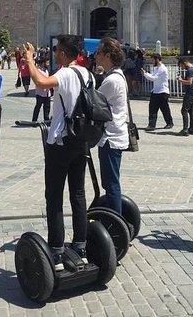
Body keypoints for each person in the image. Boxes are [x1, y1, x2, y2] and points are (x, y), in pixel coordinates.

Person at [22, 35, 90, 271]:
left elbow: (40, 82)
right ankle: (81, 246)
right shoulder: (86, 73)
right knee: (78, 194)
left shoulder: (65, 73)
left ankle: (57, 251)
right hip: (81, 140)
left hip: (61, 140)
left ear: (62, 54)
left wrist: (29, 59)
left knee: (54, 197)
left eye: (56, 50)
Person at [94, 38, 129, 215]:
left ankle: (115, 224)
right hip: (115, 135)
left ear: (107, 55)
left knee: (111, 183)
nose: (96, 56)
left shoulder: (112, 81)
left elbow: (94, 103)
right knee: (111, 181)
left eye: (98, 52)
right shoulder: (116, 76)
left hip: (110, 138)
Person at [140, 53, 174, 131]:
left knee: (164, 109)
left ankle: (169, 123)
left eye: (153, 60)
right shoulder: (157, 68)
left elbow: (154, 78)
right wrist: (146, 73)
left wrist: (145, 74)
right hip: (155, 91)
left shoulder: (162, 68)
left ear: (157, 59)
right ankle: (151, 125)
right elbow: (153, 76)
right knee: (152, 109)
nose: (152, 62)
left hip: (162, 91)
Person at [176, 57, 193, 136]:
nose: (182, 68)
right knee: (191, 110)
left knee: (184, 110)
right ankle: (191, 128)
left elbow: (189, 82)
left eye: (181, 66)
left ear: (184, 63)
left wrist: (180, 80)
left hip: (190, 93)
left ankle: (185, 129)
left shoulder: (189, 70)